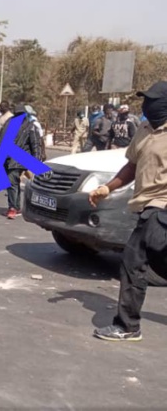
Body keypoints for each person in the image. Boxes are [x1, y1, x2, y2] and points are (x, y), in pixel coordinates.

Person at [89, 81, 167, 342]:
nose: (147, 106)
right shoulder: (144, 129)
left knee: (134, 260)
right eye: (146, 101)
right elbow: (132, 167)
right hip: (145, 205)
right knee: (151, 262)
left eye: (153, 101)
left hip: (162, 206)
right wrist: (107, 188)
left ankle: (127, 326)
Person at [5, 104, 43, 220]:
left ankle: (13, 208)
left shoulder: (31, 126)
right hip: (9, 157)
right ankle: (16, 206)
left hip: (21, 157)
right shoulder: (10, 125)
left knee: (12, 181)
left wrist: (36, 160)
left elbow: (35, 144)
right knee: (14, 182)